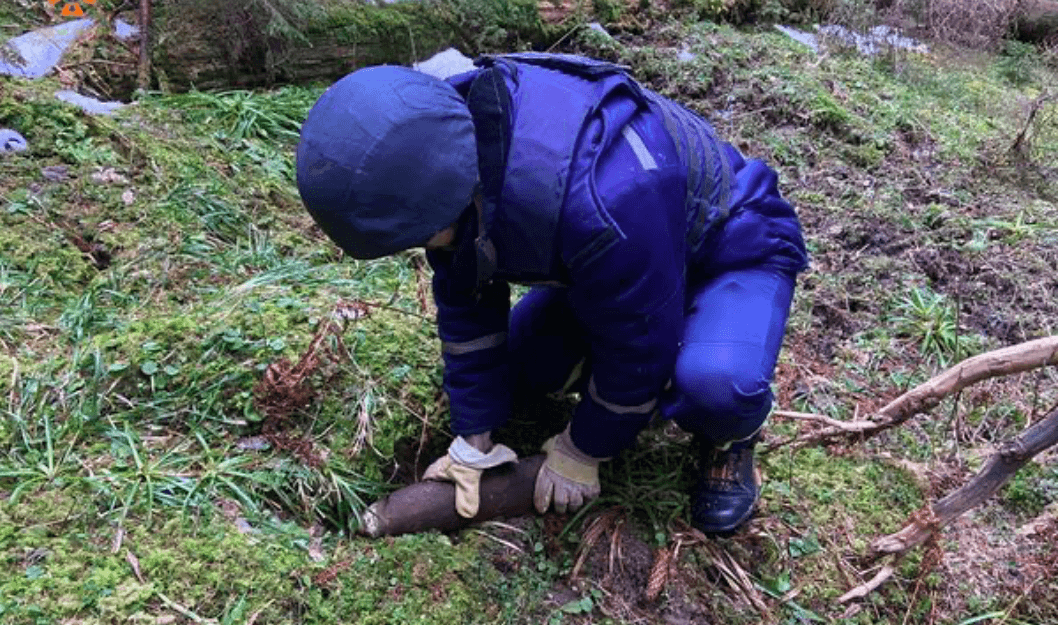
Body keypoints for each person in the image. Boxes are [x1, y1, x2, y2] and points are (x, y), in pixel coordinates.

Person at [295, 52, 808, 534]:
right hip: (624, 263)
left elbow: (641, 340)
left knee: (715, 383)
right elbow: (466, 301)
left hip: (729, 246)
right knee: (521, 367)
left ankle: (732, 434)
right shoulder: (440, 150)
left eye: (424, 237)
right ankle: (641, 395)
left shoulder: (608, 198)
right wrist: (474, 436)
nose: (426, 246)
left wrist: (584, 449)